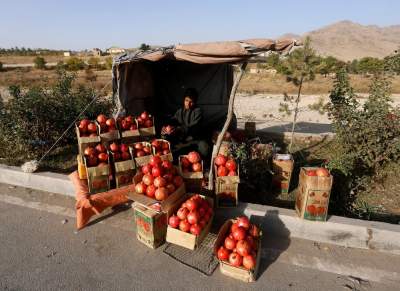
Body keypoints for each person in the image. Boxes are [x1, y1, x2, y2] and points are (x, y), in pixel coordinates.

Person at [161, 88, 209, 158]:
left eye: (191, 102)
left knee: (204, 148)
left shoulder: (198, 112)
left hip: (195, 139)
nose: (188, 104)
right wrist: (166, 127)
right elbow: (173, 121)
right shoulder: (180, 112)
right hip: (182, 139)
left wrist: (178, 128)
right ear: (184, 100)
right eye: (186, 100)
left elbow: (194, 128)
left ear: (195, 102)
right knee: (166, 139)